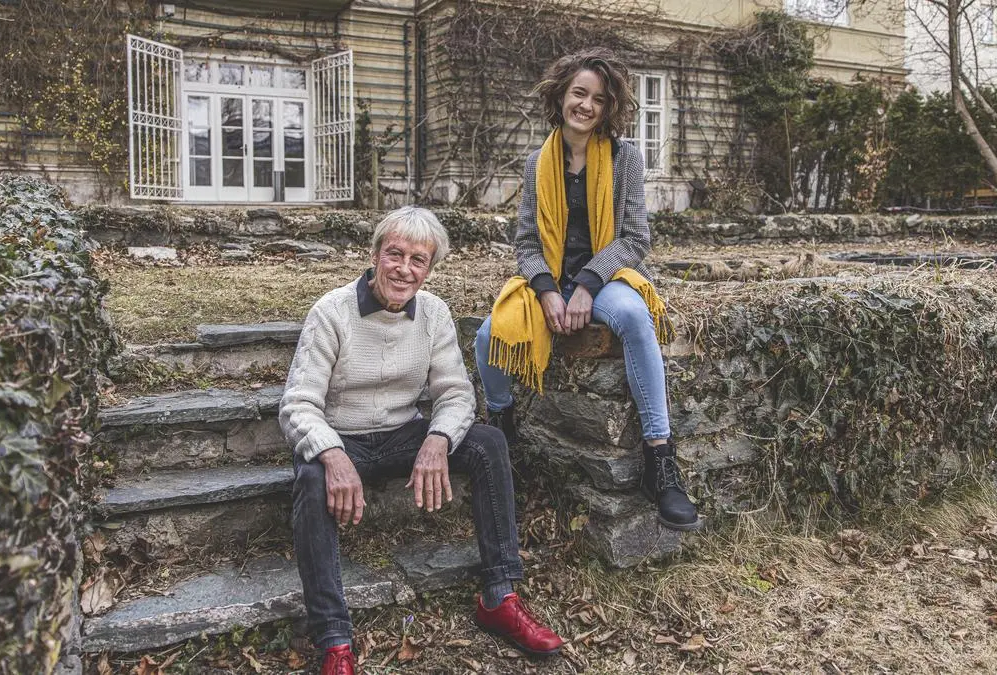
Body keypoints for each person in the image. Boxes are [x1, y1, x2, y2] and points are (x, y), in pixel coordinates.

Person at [280, 206, 564, 675]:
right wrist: (331, 453)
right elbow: (298, 404)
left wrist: (438, 439)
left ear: (430, 268)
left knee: (489, 442)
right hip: (341, 436)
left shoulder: (433, 313)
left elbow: (455, 394)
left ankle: (500, 596)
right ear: (374, 255)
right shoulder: (331, 311)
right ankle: (334, 639)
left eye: (418, 260)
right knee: (311, 477)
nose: (404, 269)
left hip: (403, 434)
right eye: (395, 254)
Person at [474, 48, 702, 532]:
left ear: (608, 107)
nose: (587, 105)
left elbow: (635, 238)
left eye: (598, 99)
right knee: (488, 336)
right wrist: (546, 290)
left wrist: (585, 285)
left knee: (635, 318)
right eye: (579, 93)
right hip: (552, 281)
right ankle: (502, 432)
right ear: (561, 96)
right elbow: (527, 242)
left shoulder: (624, 159)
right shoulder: (538, 162)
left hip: (606, 278)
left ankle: (660, 460)